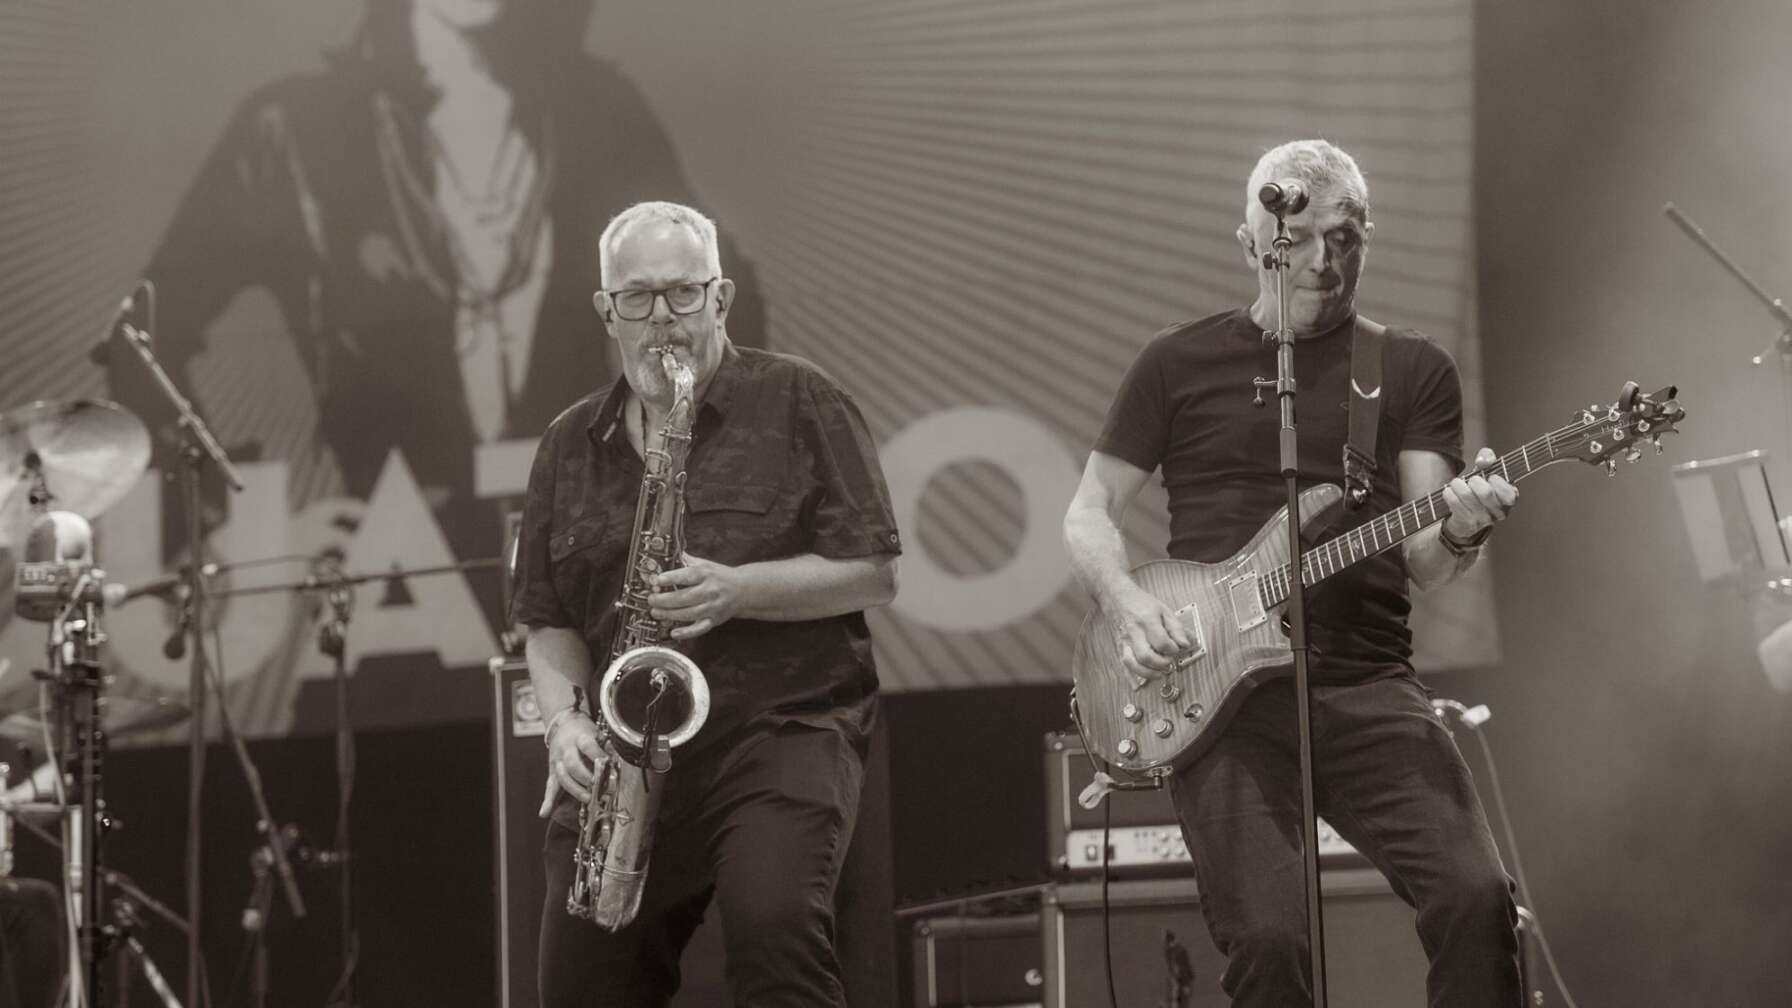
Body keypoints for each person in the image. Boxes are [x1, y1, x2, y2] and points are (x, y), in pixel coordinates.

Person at [102, 0, 764, 617]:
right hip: (386, 594)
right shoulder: (291, 128)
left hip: (585, 570)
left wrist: (682, 485)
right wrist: (232, 523)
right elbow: (139, 339)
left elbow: (729, 299)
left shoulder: (601, 112)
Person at [1062, 139, 1522, 1006]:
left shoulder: (1410, 369)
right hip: (1223, 701)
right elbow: (1087, 513)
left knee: (1476, 897)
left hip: (1366, 685)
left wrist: (1464, 530)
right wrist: (1126, 606)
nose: (1325, 261)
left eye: (1346, 239)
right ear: (1251, 244)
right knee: (1269, 944)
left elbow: (1427, 556)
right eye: (1300, 239)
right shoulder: (1176, 363)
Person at [510, 201, 901, 1006]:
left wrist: (738, 590)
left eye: (683, 296)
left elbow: (872, 571)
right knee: (580, 982)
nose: (663, 321)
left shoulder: (799, 398)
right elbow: (545, 619)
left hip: (782, 728)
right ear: (605, 310)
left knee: (775, 932)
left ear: (720, 298)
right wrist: (565, 724)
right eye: (639, 298)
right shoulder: (567, 444)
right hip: (627, 749)